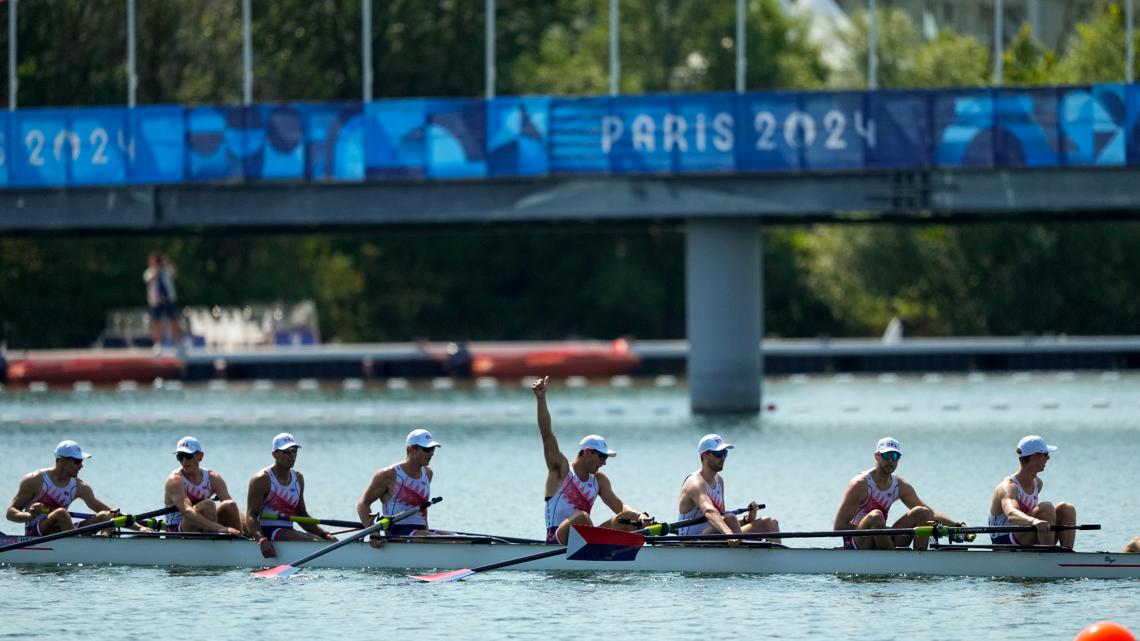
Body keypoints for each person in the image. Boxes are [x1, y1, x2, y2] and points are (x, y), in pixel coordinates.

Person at [532, 376, 653, 545]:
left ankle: (626, 555)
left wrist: (641, 516)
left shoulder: (599, 481)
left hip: (584, 536)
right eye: (602, 456)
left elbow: (621, 507)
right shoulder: (560, 469)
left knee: (627, 518)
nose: (604, 462)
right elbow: (546, 434)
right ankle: (598, 549)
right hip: (557, 538)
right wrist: (541, 398)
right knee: (582, 516)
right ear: (587, 452)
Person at [834, 436, 963, 550]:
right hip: (858, 542)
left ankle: (920, 559)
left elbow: (932, 514)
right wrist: (877, 530)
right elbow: (839, 526)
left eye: (895, 456)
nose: (891, 460)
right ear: (877, 456)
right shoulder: (860, 484)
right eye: (887, 455)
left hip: (882, 536)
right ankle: (893, 560)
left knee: (922, 512)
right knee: (876, 516)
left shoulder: (899, 485)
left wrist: (957, 527)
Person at [6, 441, 128, 536]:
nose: (81, 466)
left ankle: (105, 544)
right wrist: (28, 516)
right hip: (36, 533)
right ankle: (78, 546)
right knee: (61, 513)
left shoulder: (80, 487)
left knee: (105, 516)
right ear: (62, 461)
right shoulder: (35, 480)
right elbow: (10, 513)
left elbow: (113, 513)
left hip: (62, 531)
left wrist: (140, 527)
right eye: (77, 461)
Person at [246, 433, 336, 558]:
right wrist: (262, 541)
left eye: (294, 451)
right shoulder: (262, 479)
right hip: (267, 532)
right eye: (287, 451)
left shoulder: (298, 478)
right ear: (274, 454)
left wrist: (324, 534)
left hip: (287, 531)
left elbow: (301, 515)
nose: (292, 455)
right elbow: (251, 517)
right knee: (315, 543)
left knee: (320, 541)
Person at [677, 434, 778, 537]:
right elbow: (709, 511)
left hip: (717, 533)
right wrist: (728, 534)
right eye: (719, 453)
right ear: (705, 456)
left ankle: (774, 552)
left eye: (725, 453)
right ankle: (741, 549)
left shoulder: (719, 480)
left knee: (770, 523)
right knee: (730, 518)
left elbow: (722, 518)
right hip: (692, 540)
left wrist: (747, 520)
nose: (723, 458)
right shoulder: (694, 483)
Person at [356, 428, 443, 547]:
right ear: (411, 449)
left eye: (432, 449)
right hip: (396, 534)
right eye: (427, 449)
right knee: (448, 540)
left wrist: (427, 532)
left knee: (457, 538)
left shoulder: (428, 473)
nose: (431, 453)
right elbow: (363, 504)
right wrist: (373, 532)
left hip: (420, 533)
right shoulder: (389, 474)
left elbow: (422, 509)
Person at [987, 435, 1077, 548]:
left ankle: (1066, 557)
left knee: (1066, 508)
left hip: (1024, 536)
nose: (1048, 458)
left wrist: (1035, 521)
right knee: (1046, 508)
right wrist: (1034, 521)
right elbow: (1011, 514)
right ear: (1035, 457)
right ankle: (1048, 559)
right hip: (1004, 542)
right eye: (1046, 454)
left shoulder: (1038, 484)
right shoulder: (1008, 487)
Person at [162, 436, 243, 536]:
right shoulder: (174, 480)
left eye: (188, 456)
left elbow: (234, 511)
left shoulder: (213, 478)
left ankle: (242, 539)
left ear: (200, 456)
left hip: (204, 525)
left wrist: (253, 531)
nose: (184, 461)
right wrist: (220, 528)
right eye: (180, 457)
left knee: (230, 505)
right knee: (208, 505)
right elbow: (187, 512)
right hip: (177, 530)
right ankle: (213, 540)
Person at [144, 252, 181, 350]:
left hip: (169, 300)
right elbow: (148, 280)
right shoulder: (149, 272)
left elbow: (175, 273)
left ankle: (177, 343)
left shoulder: (167, 270)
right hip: (156, 301)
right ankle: (157, 344)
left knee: (174, 320)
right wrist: (156, 270)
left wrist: (167, 263)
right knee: (156, 322)